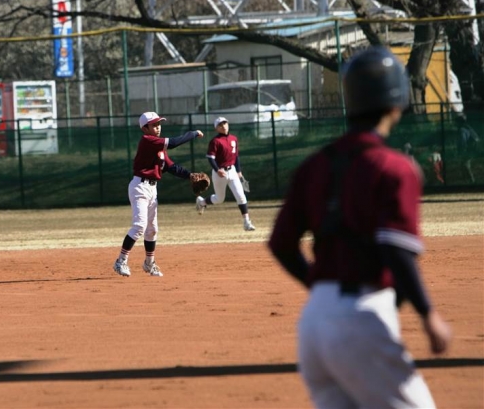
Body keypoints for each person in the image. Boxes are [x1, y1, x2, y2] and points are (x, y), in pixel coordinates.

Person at [267, 46, 451, 408]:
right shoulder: (395, 167)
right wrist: (428, 315)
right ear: (397, 102)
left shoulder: (314, 165)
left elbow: (281, 244)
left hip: (313, 323)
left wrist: (321, 285)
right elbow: (395, 250)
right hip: (362, 317)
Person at [113, 112, 204, 277]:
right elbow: (174, 143)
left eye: (159, 124)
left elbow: (171, 167)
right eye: (154, 125)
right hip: (140, 187)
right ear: (145, 128)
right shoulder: (148, 140)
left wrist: (189, 175)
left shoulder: (159, 148)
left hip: (152, 189)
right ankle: (121, 261)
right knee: (139, 226)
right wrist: (193, 133)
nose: (158, 127)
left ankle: (149, 263)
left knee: (152, 229)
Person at [195, 116, 255, 231]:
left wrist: (239, 171)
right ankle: (202, 202)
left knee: (241, 196)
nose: (223, 126)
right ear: (216, 128)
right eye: (220, 125)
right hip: (220, 173)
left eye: (225, 123)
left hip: (232, 171)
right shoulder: (215, 141)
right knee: (219, 199)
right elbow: (211, 158)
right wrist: (217, 169)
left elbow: (236, 156)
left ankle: (247, 223)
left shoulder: (233, 139)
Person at [455, 112, 480, 183]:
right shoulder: (468, 127)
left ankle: (471, 181)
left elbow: (462, 142)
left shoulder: (462, 130)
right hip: (472, 149)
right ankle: (467, 180)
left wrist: (461, 152)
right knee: (464, 164)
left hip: (468, 150)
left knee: (465, 165)